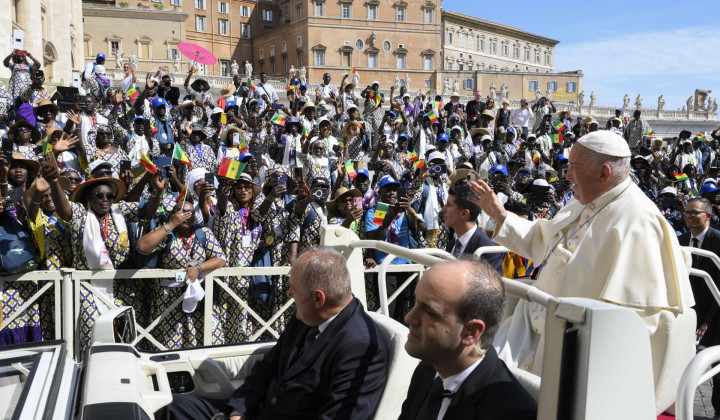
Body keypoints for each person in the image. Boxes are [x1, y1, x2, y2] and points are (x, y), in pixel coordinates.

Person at [468, 130, 694, 414]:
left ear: (604, 172)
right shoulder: (584, 201)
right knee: (474, 381)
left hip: (570, 345)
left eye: (574, 167)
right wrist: (501, 216)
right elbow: (542, 240)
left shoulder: (640, 221)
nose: (566, 175)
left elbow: (633, 321)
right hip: (531, 323)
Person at [155, 247, 389, 420]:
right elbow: (267, 369)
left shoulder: (361, 348)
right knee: (173, 407)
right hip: (256, 412)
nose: (288, 295)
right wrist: (238, 412)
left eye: (293, 290)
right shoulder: (308, 316)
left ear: (318, 298)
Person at [399, 259, 537, 420]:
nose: (409, 317)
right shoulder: (427, 371)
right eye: (415, 303)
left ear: (471, 332)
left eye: (429, 311)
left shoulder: (511, 413)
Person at [442, 185, 502, 273]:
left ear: (464, 213)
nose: (443, 209)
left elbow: (493, 285)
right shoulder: (452, 245)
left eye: (449, 205)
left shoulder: (487, 250)